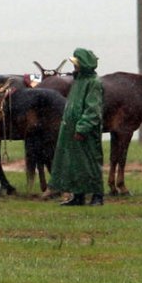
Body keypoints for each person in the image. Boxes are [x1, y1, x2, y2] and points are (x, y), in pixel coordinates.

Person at [49, 47, 105, 207]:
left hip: (85, 132)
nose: (74, 66)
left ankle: (97, 196)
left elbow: (93, 109)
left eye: (77, 63)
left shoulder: (94, 83)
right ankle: (78, 196)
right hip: (70, 130)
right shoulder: (78, 81)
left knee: (90, 163)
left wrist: (82, 127)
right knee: (74, 164)